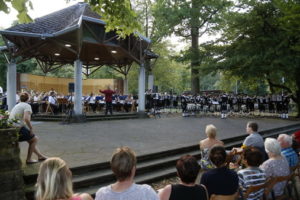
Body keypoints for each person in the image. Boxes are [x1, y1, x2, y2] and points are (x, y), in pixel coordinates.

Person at [9, 92, 47, 164]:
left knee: (30, 140)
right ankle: (29, 160)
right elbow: (26, 119)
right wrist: (31, 128)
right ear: (28, 99)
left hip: (12, 127)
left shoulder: (17, 105)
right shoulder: (27, 105)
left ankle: (40, 156)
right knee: (34, 139)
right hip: (17, 127)